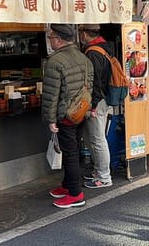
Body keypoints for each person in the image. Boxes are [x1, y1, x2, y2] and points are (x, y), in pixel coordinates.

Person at [42, 24, 94, 208]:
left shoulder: (55, 62)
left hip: (64, 115)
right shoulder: (84, 58)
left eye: (51, 38)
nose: (50, 42)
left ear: (58, 39)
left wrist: (50, 119)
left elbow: (51, 94)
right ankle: (67, 185)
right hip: (80, 112)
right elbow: (90, 86)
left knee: (70, 153)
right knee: (73, 150)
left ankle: (75, 194)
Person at [78, 24, 113, 189]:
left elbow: (96, 82)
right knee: (94, 138)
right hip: (103, 100)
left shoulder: (93, 52)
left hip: (97, 102)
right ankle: (98, 171)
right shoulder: (104, 47)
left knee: (97, 139)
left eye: (80, 33)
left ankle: (104, 177)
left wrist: (92, 106)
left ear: (84, 34)